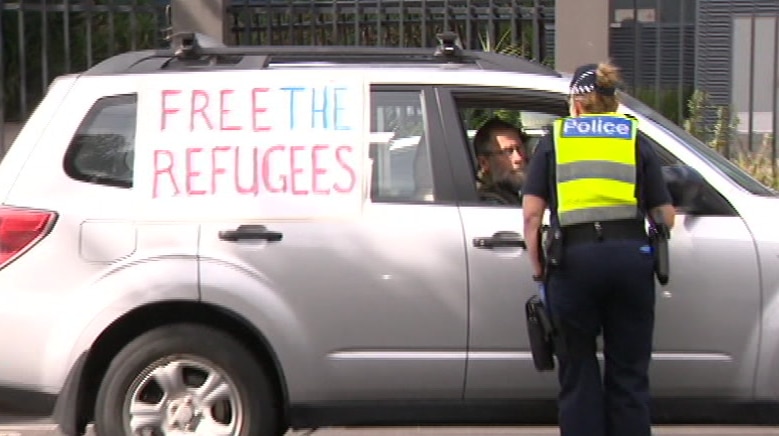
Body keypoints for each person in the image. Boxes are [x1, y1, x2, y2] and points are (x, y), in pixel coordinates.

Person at [521, 62, 676, 436]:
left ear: (576, 101)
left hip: (572, 262)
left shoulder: (555, 139)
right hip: (629, 260)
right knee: (629, 372)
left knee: (577, 371)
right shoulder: (632, 137)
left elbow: (531, 216)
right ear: (612, 101)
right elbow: (665, 215)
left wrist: (539, 270)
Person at [472, 117, 528, 205]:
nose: (518, 158)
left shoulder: (508, 195)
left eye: (519, 148)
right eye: (507, 152)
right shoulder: (489, 204)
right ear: (484, 162)